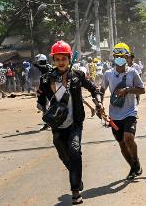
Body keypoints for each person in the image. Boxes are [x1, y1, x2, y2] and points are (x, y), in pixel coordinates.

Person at [37, 40, 103, 205]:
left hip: (75, 122)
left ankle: (75, 191)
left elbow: (93, 88)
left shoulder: (77, 75)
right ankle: (77, 177)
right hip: (57, 124)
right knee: (64, 155)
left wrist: (98, 102)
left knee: (75, 152)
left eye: (63, 59)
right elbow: (41, 100)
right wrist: (44, 106)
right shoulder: (45, 79)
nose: (60, 62)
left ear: (69, 59)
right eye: (57, 59)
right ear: (53, 60)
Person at [101, 43, 145, 180]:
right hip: (114, 114)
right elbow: (101, 90)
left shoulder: (132, 72)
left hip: (130, 111)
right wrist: (98, 103)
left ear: (127, 57)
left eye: (122, 56)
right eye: (117, 56)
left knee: (128, 138)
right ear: (113, 57)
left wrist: (127, 90)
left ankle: (136, 160)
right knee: (121, 143)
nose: (119, 59)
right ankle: (133, 167)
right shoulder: (108, 74)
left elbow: (142, 89)